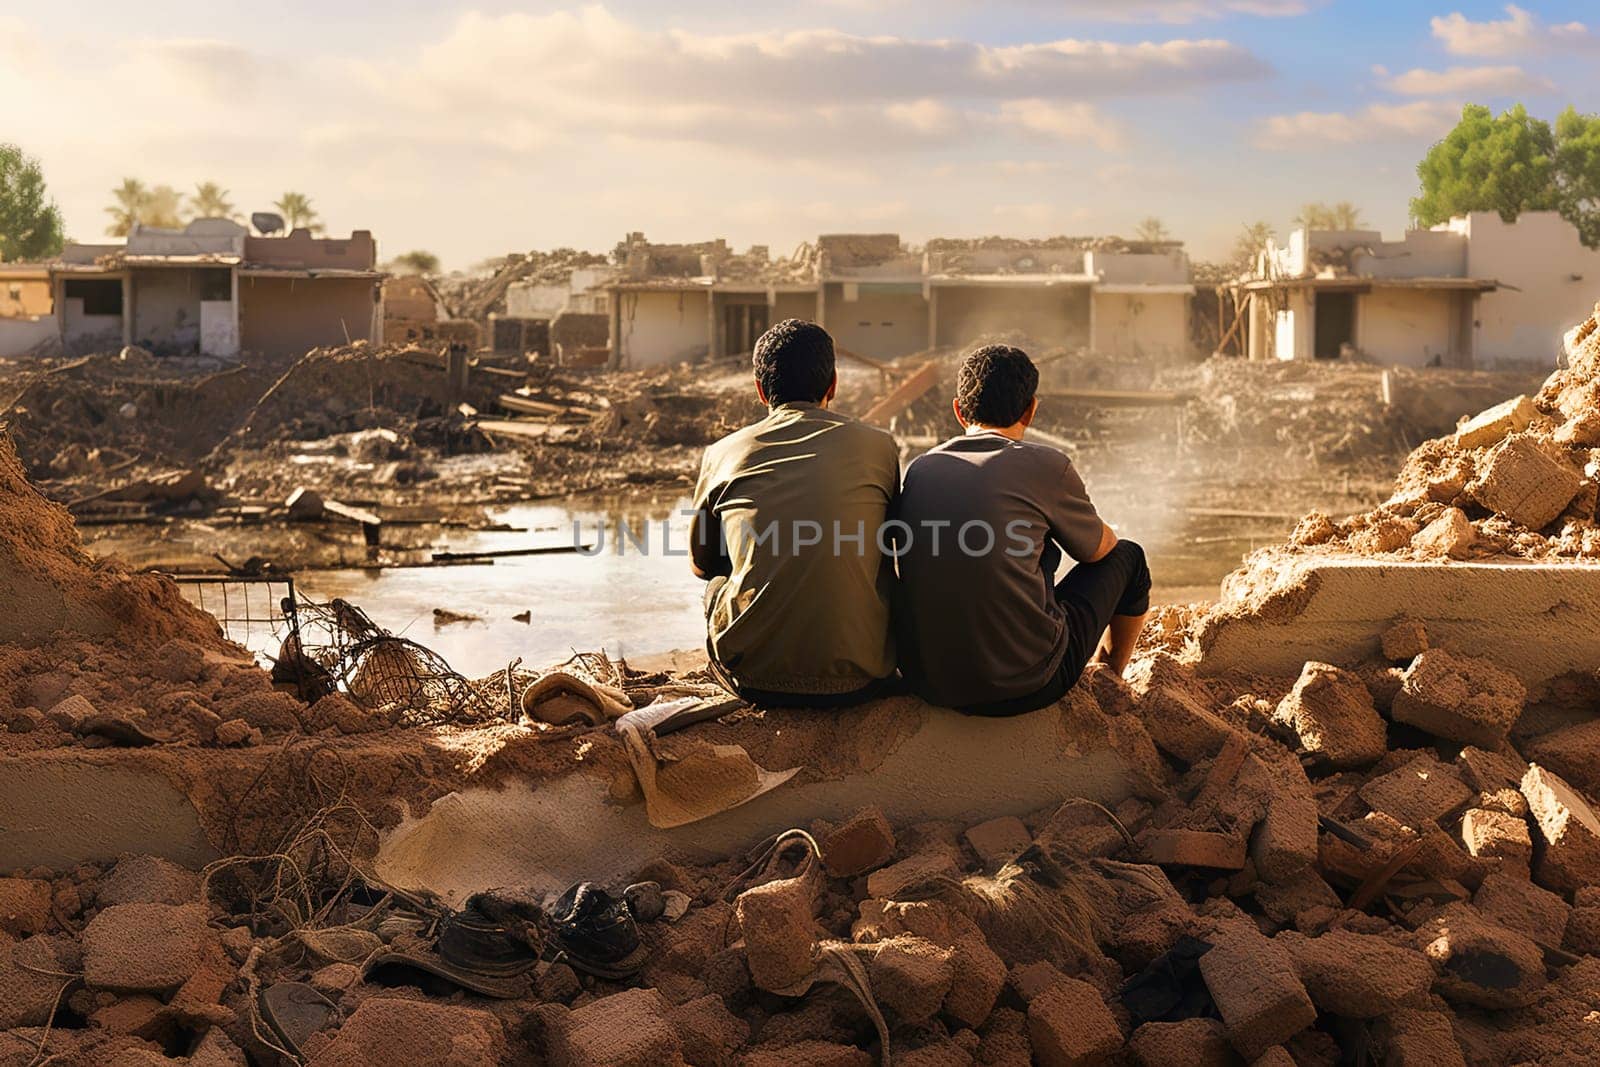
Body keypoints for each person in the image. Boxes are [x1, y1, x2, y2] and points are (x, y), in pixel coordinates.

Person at [894, 344, 1150, 715]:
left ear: (958, 410)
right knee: (1130, 557)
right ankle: (1109, 678)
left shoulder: (920, 469)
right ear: (1031, 409)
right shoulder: (1045, 465)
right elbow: (1099, 551)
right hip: (1026, 685)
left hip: (928, 681)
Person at [688, 318, 899, 706]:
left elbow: (702, 566)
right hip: (864, 677)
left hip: (755, 680)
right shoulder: (879, 447)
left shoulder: (722, 453)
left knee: (718, 586)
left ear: (759, 390)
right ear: (833, 384)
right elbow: (897, 547)